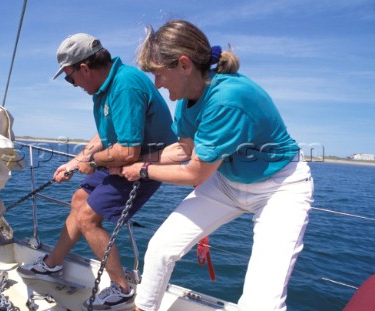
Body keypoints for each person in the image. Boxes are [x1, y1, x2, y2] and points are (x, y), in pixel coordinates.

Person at [121, 20, 314, 311]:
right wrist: (137, 159)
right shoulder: (186, 100)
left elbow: (194, 172)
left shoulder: (227, 98)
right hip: (228, 182)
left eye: (159, 74)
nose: (157, 84)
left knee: (261, 302)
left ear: (184, 65)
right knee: (161, 248)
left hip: (280, 188)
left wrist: (143, 170)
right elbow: (184, 150)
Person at [17, 33, 177, 311]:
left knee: (89, 218)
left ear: (84, 68)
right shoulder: (105, 88)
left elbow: (128, 152)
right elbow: (104, 136)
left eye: (70, 77)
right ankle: (52, 265)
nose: (73, 84)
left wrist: (91, 162)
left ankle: (122, 289)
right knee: (79, 200)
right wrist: (73, 163)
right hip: (120, 157)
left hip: (145, 163)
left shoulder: (124, 86)